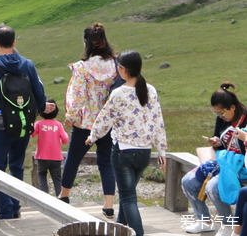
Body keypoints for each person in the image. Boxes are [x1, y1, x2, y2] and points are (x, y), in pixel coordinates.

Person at [0, 25, 53, 220]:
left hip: (0, 126)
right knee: (17, 166)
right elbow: (40, 96)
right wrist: (39, 108)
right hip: (23, 125)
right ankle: (15, 207)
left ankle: (6, 212)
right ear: (14, 42)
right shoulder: (28, 65)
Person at [87, 50, 166, 236]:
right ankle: (119, 230)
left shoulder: (119, 93)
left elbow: (104, 119)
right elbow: (158, 122)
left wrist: (92, 136)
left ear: (122, 69)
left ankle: (138, 233)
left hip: (123, 152)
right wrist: (161, 151)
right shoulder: (151, 90)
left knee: (128, 198)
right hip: (144, 153)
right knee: (127, 194)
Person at [60, 22, 118, 217]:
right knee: (107, 162)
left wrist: (70, 117)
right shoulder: (116, 65)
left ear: (86, 43)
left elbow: (77, 96)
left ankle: (64, 196)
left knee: (73, 159)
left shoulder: (82, 68)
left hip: (85, 122)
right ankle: (108, 204)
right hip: (108, 122)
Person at [181, 82, 247, 235]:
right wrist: (216, 142)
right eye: (217, 114)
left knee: (213, 187)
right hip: (224, 162)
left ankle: (228, 224)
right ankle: (204, 221)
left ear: (232, 108)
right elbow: (222, 144)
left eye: (222, 113)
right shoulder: (222, 120)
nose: (220, 117)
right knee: (188, 181)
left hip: (241, 166)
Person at [33, 98, 68, 196]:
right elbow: (65, 139)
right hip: (56, 157)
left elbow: (31, 134)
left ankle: (44, 196)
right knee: (57, 178)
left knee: (41, 175)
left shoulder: (39, 124)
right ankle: (60, 197)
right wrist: (64, 141)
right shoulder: (58, 125)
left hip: (41, 156)